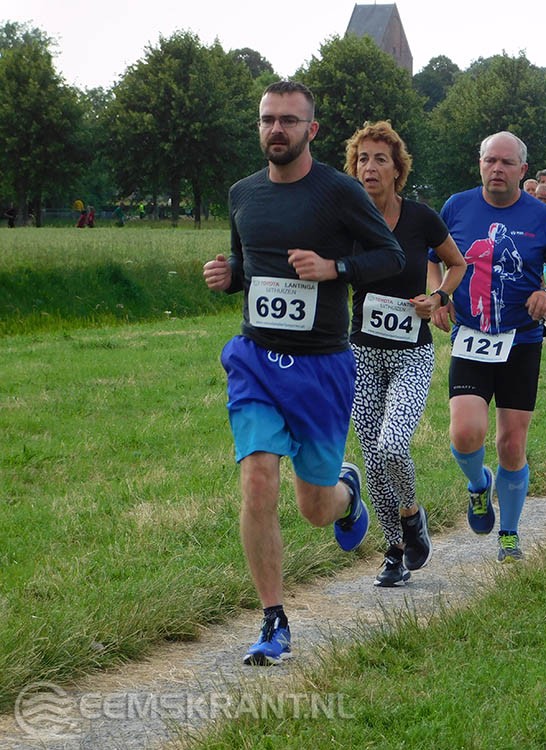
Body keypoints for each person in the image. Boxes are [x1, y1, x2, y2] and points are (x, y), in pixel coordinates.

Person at [202, 81, 405, 665]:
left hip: (321, 367)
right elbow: (252, 266)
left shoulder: (339, 193)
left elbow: (389, 257)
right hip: (256, 361)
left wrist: (333, 267)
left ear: (311, 130)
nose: (276, 130)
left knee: (316, 509)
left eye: (289, 121)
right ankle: (273, 621)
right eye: (268, 120)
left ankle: (347, 492)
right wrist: (229, 274)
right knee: (258, 481)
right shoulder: (243, 194)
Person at [434, 131, 546, 563]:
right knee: (464, 432)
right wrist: (438, 294)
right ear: (479, 164)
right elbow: (432, 255)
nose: (496, 169)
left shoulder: (540, 217)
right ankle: (479, 486)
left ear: (523, 171)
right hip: (471, 337)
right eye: (489, 161)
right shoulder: (456, 208)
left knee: (511, 445)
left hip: (521, 340)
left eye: (506, 163)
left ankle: (510, 535)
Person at [343, 121, 467, 588]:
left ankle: (413, 516)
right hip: (363, 353)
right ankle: (394, 549)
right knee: (372, 460)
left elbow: (457, 263)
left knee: (393, 444)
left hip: (411, 353)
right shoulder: (346, 222)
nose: (369, 167)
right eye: (362, 160)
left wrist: (436, 298)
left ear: (398, 170)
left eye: (379, 159)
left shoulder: (420, 218)